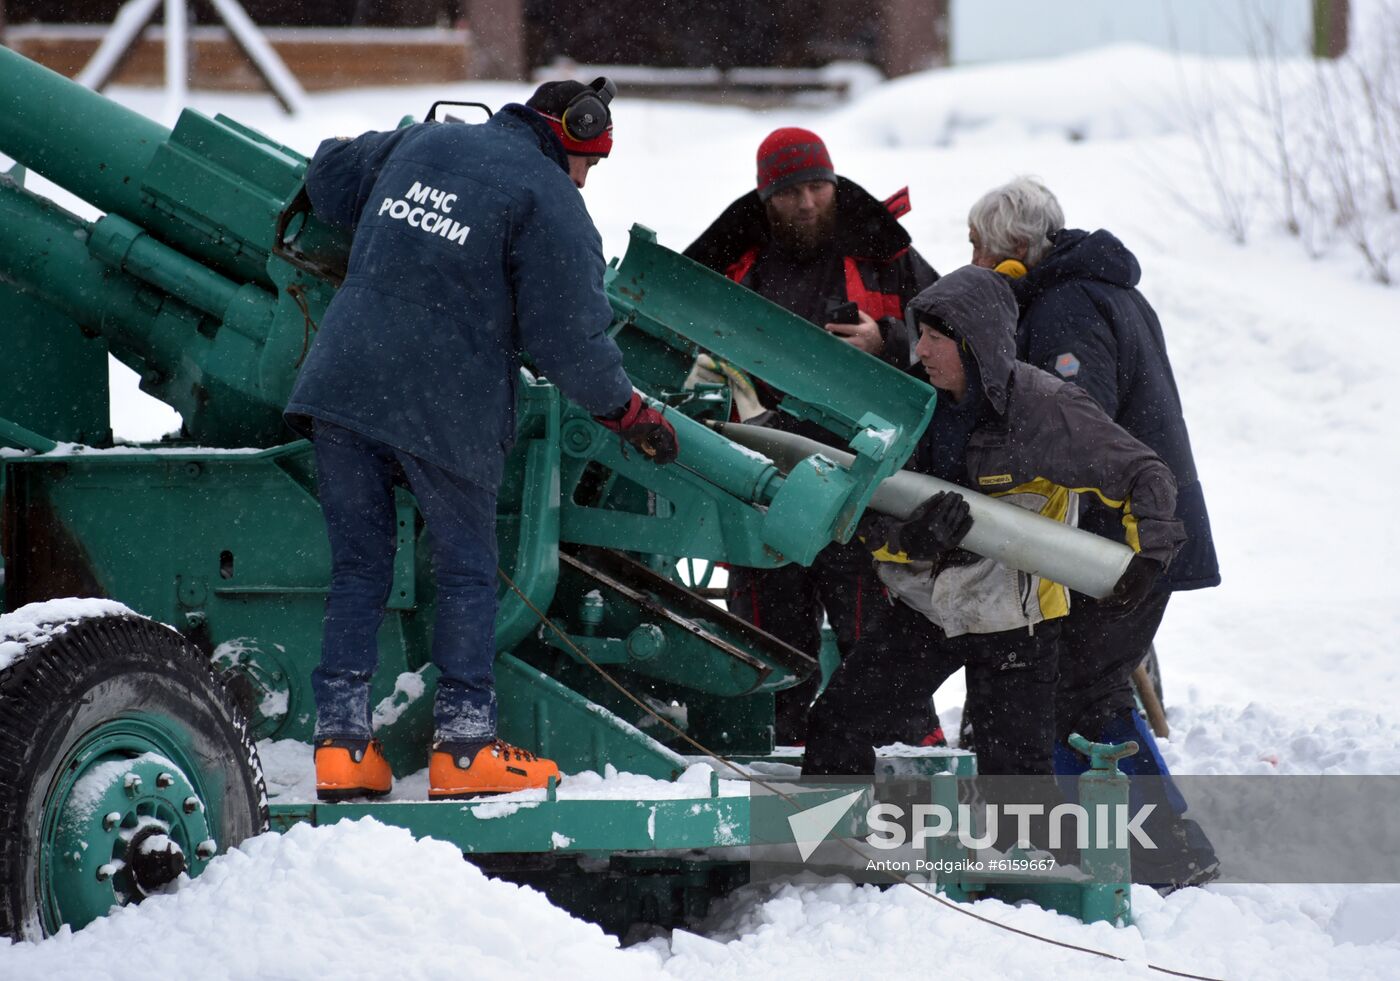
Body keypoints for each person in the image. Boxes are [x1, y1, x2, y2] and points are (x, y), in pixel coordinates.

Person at [285, 79, 678, 802]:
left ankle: (341, 749)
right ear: (572, 135)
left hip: (343, 381)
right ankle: (464, 747)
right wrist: (629, 414)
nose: (586, 178)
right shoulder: (551, 199)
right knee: (468, 568)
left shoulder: (424, 141)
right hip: (442, 399)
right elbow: (570, 343)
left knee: (360, 566)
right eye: (589, 161)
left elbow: (329, 173)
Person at [803, 265, 1185, 783]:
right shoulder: (914, 403)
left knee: (1016, 778)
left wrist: (1150, 558)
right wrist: (911, 541)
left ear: (976, 344)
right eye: (922, 336)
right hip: (928, 609)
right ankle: (826, 856)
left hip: (1016, 624)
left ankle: (1024, 866)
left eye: (937, 339)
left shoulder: (1047, 409)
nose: (922, 351)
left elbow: (1144, 473)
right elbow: (868, 516)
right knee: (837, 720)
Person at [966, 177, 1221, 887]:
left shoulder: (1063, 311)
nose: (975, 267)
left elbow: (1077, 427)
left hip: (1123, 538)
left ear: (1017, 250)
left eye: (979, 250)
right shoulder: (1104, 289)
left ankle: (1165, 847)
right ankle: (1097, 839)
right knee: (1079, 682)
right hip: (1147, 526)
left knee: (1083, 684)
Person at [684, 127, 938, 744]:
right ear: (765, 196)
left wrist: (890, 341)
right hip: (757, 487)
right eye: (791, 192)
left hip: (862, 488)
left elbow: (955, 333)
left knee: (873, 642)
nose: (806, 204)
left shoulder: (884, 251)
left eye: (818, 187)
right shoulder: (724, 262)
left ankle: (901, 757)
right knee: (770, 648)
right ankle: (782, 766)